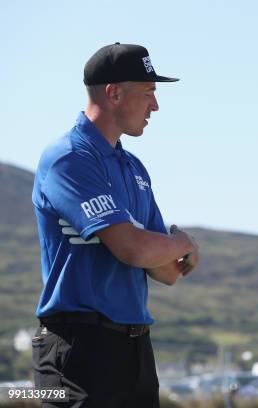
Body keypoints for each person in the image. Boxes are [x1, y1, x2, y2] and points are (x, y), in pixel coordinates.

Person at [31, 43, 200, 407]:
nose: (155, 105)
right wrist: (182, 243)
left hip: (135, 352)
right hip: (76, 352)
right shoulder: (68, 158)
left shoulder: (134, 168)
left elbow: (167, 271)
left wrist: (169, 251)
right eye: (148, 93)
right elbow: (134, 248)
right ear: (113, 93)